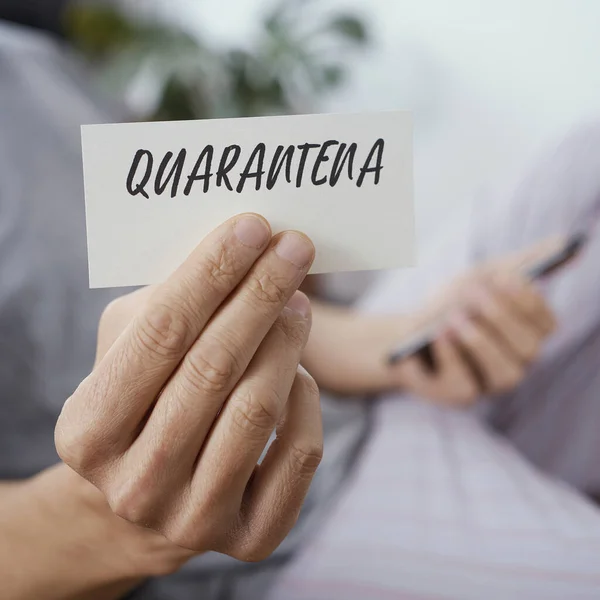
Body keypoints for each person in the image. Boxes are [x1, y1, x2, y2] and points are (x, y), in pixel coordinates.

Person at [0, 3, 588, 600]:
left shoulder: (31, 63)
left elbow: (204, 282)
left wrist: (399, 337)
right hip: (286, 526)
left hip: (344, 389)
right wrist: (110, 521)